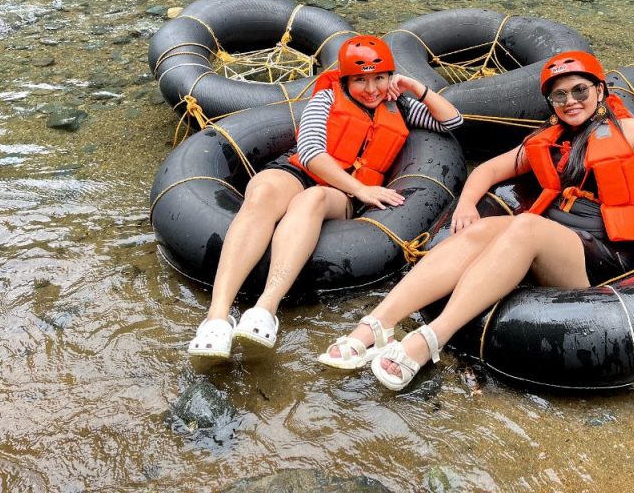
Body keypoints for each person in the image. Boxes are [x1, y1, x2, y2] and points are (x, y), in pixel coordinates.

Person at [319, 50, 634, 390]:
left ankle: (431, 338)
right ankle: (374, 325)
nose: (570, 102)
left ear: (599, 89)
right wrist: (466, 205)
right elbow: (486, 171)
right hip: (552, 242)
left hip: (603, 259)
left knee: (525, 225)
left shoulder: (630, 132)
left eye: (579, 91)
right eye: (559, 96)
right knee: (484, 228)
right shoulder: (551, 140)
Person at [187, 35, 463, 359]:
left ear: (390, 76)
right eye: (360, 80)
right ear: (346, 79)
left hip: (337, 193)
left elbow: (453, 121)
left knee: (312, 199)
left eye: (379, 77)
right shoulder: (327, 98)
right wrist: (361, 187)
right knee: (262, 192)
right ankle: (216, 318)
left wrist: (414, 87)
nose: (372, 88)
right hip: (303, 172)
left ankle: (265, 308)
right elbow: (310, 152)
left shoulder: (399, 104)